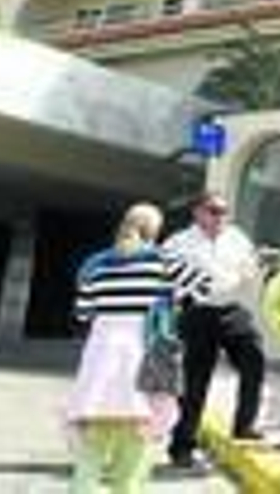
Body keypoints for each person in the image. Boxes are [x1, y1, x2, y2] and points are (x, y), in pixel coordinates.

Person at [66, 203, 209, 493]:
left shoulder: (95, 264)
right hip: (147, 356)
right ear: (155, 231)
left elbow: (82, 312)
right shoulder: (164, 260)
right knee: (137, 448)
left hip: (101, 359)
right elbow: (203, 287)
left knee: (91, 451)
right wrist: (172, 301)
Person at [162, 192, 268, 471]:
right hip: (198, 312)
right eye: (213, 210)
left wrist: (254, 268)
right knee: (195, 381)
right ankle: (182, 446)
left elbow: (249, 267)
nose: (220, 216)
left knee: (254, 358)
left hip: (231, 310)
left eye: (224, 211)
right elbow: (171, 274)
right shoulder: (179, 242)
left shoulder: (237, 237)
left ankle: (244, 424)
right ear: (197, 212)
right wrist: (209, 284)